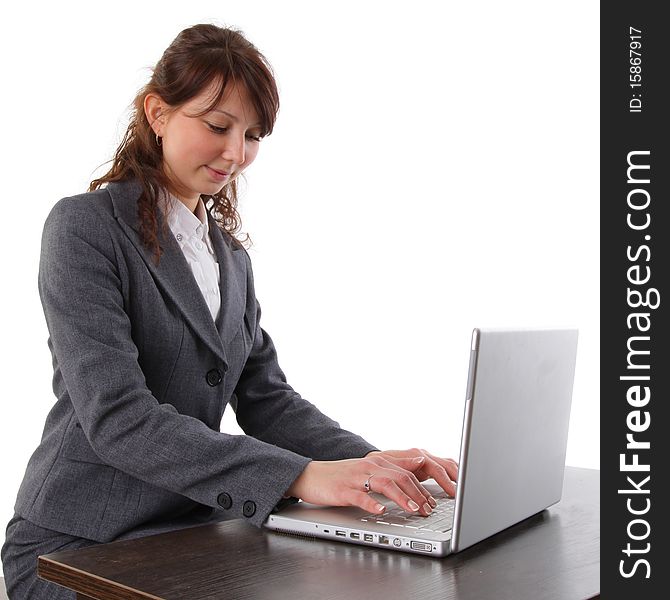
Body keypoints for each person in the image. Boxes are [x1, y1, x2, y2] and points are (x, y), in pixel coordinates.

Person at [1, 24, 458, 599]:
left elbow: (267, 398)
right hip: (78, 542)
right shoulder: (84, 227)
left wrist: (369, 462)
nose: (235, 153)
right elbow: (118, 417)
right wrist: (298, 475)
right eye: (217, 126)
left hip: (191, 529)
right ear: (158, 114)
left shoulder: (229, 257)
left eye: (252, 135)